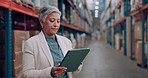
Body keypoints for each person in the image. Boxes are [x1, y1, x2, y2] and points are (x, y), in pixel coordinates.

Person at [22, 5, 82, 78]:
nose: (56, 25)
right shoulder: (31, 43)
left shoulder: (66, 42)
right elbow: (27, 74)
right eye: (52, 21)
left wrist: (77, 64)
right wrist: (50, 72)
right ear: (42, 22)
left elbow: (70, 71)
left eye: (58, 21)